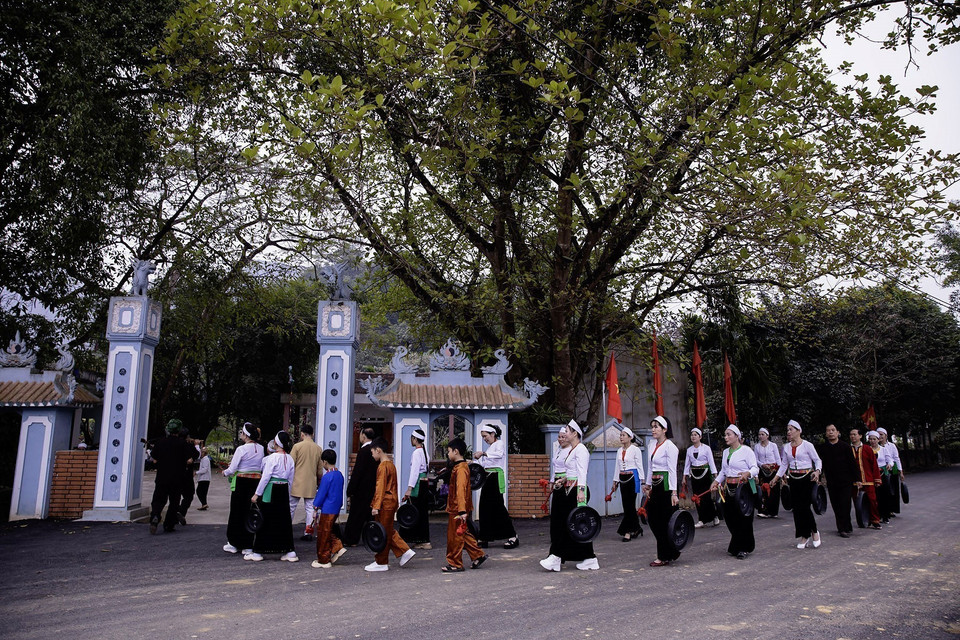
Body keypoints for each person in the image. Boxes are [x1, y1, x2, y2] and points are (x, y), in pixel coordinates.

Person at [540, 420, 598, 571]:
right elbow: (572, 472)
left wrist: (581, 492)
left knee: (572, 525)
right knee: (569, 525)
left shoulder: (581, 450)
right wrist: (562, 480)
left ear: (574, 433)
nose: (565, 433)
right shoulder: (573, 449)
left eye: (567, 431)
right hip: (568, 488)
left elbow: (582, 473)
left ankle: (557, 556)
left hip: (576, 491)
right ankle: (587, 557)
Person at [246, 431, 298, 562]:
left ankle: (258, 551)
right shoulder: (290, 458)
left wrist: (256, 494)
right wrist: (290, 494)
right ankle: (289, 550)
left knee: (266, 519)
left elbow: (265, 477)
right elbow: (291, 479)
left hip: (271, 489)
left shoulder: (272, 458)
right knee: (284, 520)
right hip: (283, 490)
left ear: (276, 443)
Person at [367, 438, 416, 572]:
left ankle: (382, 561)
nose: (372, 455)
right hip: (391, 501)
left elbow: (380, 487)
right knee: (387, 530)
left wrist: (376, 506)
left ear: (378, 450)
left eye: (372, 452)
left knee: (383, 532)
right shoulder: (391, 465)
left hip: (385, 502)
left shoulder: (382, 466)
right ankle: (403, 551)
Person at [711, 425, 759, 559]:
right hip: (729, 488)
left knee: (744, 518)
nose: (726, 437)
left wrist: (748, 473)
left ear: (737, 436)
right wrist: (716, 481)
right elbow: (724, 471)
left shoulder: (746, 451)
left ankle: (744, 547)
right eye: (725, 435)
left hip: (744, 490)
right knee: (730, 517)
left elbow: (755, 468)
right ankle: (737, 543)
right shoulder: (726, 452)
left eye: (728, 434)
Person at [773, 420, 823, 549]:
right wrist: (776, 477)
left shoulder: (807, 445)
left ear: (798, 431)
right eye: (788, 429)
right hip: (793, 478)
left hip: (807, 477)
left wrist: (817, 471)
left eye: (791, 429)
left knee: (805, 507)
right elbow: (784, 464)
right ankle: (804, 535)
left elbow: (817, 460)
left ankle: (814, 532)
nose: (788, 432)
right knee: (797, 509)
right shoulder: (786, 447)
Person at [443, 437, 487, 572]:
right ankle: (478, 555)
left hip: (457, 508)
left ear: (456, 451)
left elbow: (460, 490)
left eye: (449, 451)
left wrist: (462, 511)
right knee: (463, 533)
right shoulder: (461, 467)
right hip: (459, 507)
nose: (448, 454)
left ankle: (455, 563)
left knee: (455, 536)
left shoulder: (461, 469)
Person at [642, 415, 680, 567]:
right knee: (653, 518)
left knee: (664, 520)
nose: (653, 429)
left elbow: (672, 471)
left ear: (665, 430)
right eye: (652, 426)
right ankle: (668, 552)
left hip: (665, 487)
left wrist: (674, 493)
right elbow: (650, 467)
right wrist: (647, 484)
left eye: (656, 427)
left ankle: (664, 555)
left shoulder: (671, 447)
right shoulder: (652, 445)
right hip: (656, 486)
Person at [222, 423, 265, 554]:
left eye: (242, 433)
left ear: (246, 435)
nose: (241, 435)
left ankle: (234, 542)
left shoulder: (241, 449)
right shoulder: (261, 448)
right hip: (255, 482)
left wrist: (225, 472)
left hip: (241, 482)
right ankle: (248, 544)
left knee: (237, 511)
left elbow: (233, 468)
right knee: (250, 512)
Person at [474, 424, 519, 549]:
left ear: (493, 434)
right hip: (487, 478)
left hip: (495, 477)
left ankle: (512, 536)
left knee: (498, 507)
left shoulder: (499, 444)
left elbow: (498, 455)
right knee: (484, 506)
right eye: (483, 437)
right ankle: (485, 537)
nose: (485, 439)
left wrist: (482, 454)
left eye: (486, 436)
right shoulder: (490, 448)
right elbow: (484, 465)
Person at [149, 419, 195, 534]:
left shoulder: (160, 442)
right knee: (174, 501)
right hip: (177, 477)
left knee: (158, 499)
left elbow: (154, 458)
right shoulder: (183, 444)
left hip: (162, 476)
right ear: (179, 430)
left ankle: (155, 516)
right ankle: (169, 524)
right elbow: (189, 459)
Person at [818, 424, 858, 537]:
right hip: (832, 481)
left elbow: (852, 464)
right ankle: (842, 528)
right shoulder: (823, 448)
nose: (831, 432)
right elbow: (820, 464)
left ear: (837, 432)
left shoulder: (845, 447)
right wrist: (820, 478)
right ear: (826, 434)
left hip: (846, 481)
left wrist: (857, 479)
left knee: (845, 504)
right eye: (828, 431)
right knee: (836, 505)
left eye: (833, 430)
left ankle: (846, 526)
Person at [343, 427, 379, 546]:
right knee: (370, 516)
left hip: (361, 490)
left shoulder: (363, 451)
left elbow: (357, 472)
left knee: (356, 516)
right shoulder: (376, 450)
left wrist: (350, 489)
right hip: (373, 488)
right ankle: (373, 538)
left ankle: (351, 539)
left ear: (363, 436)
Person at [311, 449, 346, 568]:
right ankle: (337, 547)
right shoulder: (339, 475)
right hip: (336, 507)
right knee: (328, 531)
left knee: (323, 534)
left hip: (327, 508)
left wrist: (315, 507)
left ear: (325, 462)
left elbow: (321, 493)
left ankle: (324, 559)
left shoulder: (327, 477)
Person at [290, 424, 324, 541]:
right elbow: (320, 469)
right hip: (311, 482)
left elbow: (291, 464)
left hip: (296, 481)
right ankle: (308, 531)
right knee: (310, 508)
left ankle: (286, 529)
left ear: (302, 434)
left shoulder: (297, 447)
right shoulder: (318, 448)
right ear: (313, 434)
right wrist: (319, 479)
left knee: (291, 506)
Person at [399, 428, 431, 549]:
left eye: (412, 438)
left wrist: (409, 488)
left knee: (411, 512)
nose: (411, 440)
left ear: (415, 439)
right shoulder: (424, 452)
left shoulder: (416, 453)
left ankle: (409, 538)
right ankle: (423, 539)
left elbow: (414, 472)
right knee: (421, 512)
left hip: (418, 485)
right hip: (424, 483)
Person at [544, 424, 571, 566]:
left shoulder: (572, 451)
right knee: (555, 516)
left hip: (566, 484)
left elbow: (571, 470)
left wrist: (562, 480)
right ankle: (555, 549)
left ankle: (559, 552)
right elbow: (555, 468)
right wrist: (551, 481)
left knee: (563, 517)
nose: (560, 439)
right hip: (557, 484)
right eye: (559, 437)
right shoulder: (559, 450)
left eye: (563, 436)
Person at [612, 427, 645, 541]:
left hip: (632, 477)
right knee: (626, 504)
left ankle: (627, 531)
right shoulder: (619, 451)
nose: (621, 437)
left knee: (630, 505)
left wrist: (643, 481)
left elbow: (640, 465)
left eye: (623, 435)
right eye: (620, 435)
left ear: (630, 437)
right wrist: (615, 481)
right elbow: (617, 466)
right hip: (622, 478)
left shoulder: (635, 450)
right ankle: (637, 528)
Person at [683, 427, 717, 529]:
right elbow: (687, 464)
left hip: (705, 473)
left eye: (695, 435)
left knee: (706, 496)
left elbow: (711, 462)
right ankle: (701, 519)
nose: (693, 437)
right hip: (694, 474)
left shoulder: (706, 448)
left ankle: (714, 516)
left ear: (700, 437)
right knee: (697, 497)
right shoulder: (689, 450)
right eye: (692, 435)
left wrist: (716, 476)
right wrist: (684, 477)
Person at [850, 427, 882, 530]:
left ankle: (875, 520)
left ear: (860, 436)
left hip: (868, 480)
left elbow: (874, 465)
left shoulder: (867, 449)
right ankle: (863, 520)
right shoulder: (848, 449)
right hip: (854, 482)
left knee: (872, 501)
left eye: (854, 434)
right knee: (858, 502)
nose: (852, 436)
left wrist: (877, 479)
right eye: (851, 434)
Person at [753, 427, 782, 519]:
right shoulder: (757, 446)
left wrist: (781, 471)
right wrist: (762, 465)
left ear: (767, 436)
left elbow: (778, 459)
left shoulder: (773, 445)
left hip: (773, 470)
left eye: (763, 434)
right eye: (759, 434)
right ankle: (763, 511)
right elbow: (755, 460)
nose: (760, 436)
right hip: (762, 470)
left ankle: (773, 512)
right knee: (763, 490)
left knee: (774, 490)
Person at [878, 428, 904, 516]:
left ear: (886, 435)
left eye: (881, 434)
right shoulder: (875, 446)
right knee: (883, 490)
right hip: (881, 469)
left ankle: (892, 509)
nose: (880, 436)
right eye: (878, 434)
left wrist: (901, 472)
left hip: (893, 469)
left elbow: (896, 458)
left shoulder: (891, 446)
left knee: (893, 489)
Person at [868, 430, 892, 523]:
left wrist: (889, 464)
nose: (872, 441)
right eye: (870, 439)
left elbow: (889, 460)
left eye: (874, 439)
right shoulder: (867, 449)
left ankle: (885, 515)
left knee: (884, 495)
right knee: (874, 496)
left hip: (882, 473)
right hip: (871, 474)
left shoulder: (883, 449)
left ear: (878, 440)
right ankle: (875, 516)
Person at [177, 427, 197, 525]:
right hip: (186, 475)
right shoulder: (188, 445)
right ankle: (181, 512)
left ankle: (174, 514)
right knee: (189, 495)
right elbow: (197, 454)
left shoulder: (173, 444)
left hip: (174, 474)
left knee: (175, 496)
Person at [195, 447, 212, 511]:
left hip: (204, 478)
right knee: (203, 492)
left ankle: (204, 503)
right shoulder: (203, 459)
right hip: (204, 478)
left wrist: (196, 472)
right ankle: (204, 504)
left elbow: (204, 469)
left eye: (202, 452)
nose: (201, 453)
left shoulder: (205, 459)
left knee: (199, 491)